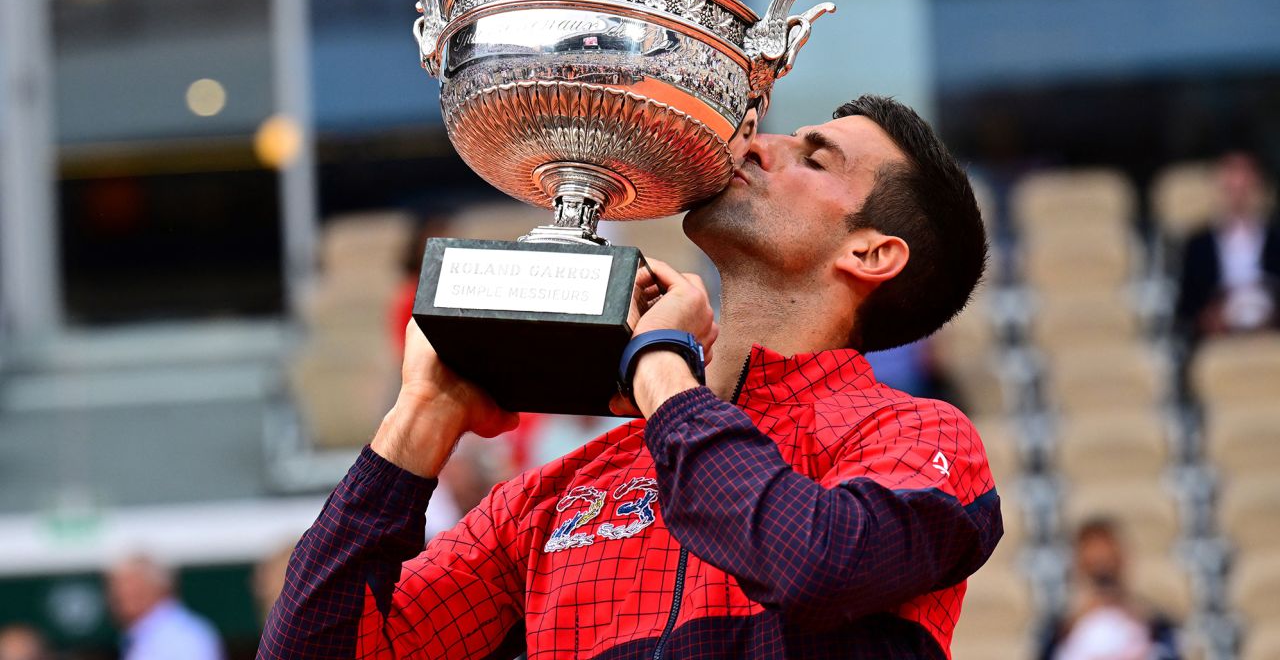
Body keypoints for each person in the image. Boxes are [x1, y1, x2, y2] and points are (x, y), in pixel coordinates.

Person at [260, 95, 1003, 659]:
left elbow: (811, 561)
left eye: (814, 158)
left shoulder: (917, 437)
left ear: (873, 253)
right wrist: (421, 417)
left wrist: (660, 367)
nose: (756, 144)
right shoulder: (556, 494)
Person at [1038, 518, 1179, 660]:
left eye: (1108, 561)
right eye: (1093, 564)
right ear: (1079, 565)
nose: (1102, 569)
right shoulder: (1060, 632)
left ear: (1122, 560)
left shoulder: (1152, 627)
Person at [1175, 151, 1280, 342]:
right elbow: (1185, 307)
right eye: (1231, 186)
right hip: (1218, 336)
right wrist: (1207, 317)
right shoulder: (1198, 244)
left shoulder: (1275, 240)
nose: (1238, 194)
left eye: (1245, 185)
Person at [106, 554, 224, 660]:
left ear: (160, 588)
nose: (121, 595)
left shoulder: (185, 636)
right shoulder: (137, 636)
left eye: (133, 588)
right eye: (118, 589)